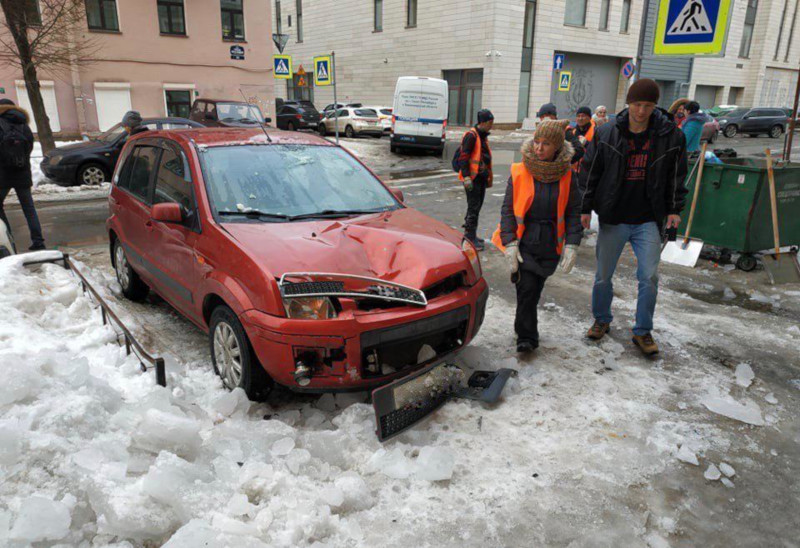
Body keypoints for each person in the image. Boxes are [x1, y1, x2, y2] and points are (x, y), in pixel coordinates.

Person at [580, 78, 688, 355]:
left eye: (648, 105)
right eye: (638, 104)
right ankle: (601, 319)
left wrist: (675, 209)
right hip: (614, 217)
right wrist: (584, 208)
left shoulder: (670, 136)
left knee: (649, 277)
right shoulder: (606, 133)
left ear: (655, 106)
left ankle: (643, 331)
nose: (642, 110)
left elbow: (677, 176)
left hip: (648, 219)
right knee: (603, 276)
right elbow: (590, 172)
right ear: (628, 104)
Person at [493, 120, 583, 353]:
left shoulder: (568, 175)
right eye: (536, 142)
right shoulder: (519, 171)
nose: (539, 148)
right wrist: (509, 242)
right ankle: (527, 337)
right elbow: (507, 210)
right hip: (525, 242)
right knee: (528, 289)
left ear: (557, 148)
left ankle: (522, 325)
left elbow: (573, 211)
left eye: (546, 144)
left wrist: (572, 243)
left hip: (550, 244)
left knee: (533, 290)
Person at [0, 98, 44, 251]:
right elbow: (29, 147)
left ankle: (9, 240)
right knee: (29, 208)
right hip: (22, 172)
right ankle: (39, 242)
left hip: (3, 174)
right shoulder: (24, 125)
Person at [458, 109, 494, 250]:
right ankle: (469, 238)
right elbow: (464, 157)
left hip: (480, 179)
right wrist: (466, 177)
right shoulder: (472, 136)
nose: (492, 125)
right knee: (473, 207)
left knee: (477, 207)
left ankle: (472, 234)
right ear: (483, 122)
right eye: (490, 122)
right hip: (472, 179)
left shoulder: (482, 136)